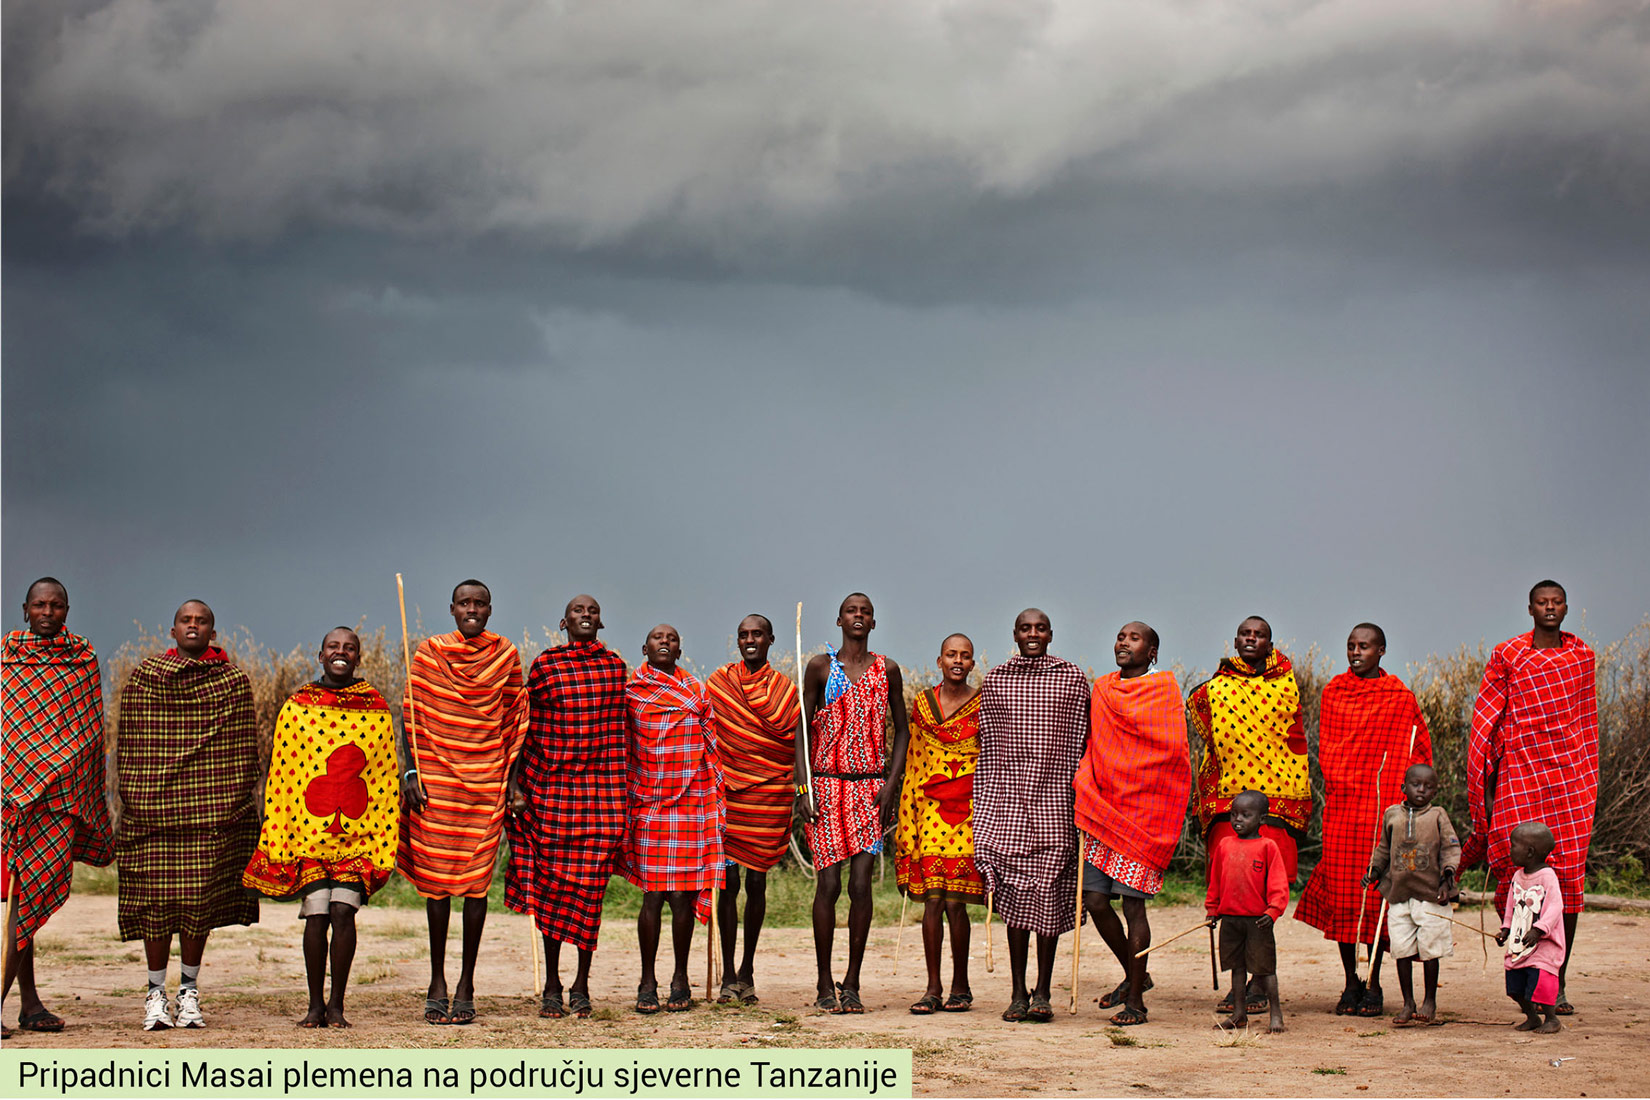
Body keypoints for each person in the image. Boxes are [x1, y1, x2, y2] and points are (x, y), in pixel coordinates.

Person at [242, 627, 400, 1028]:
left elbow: (383, 776)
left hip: (359, 835)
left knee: (343, 912)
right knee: (316, 914)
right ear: (320, 655)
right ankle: (314, 1006)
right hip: (308, 833)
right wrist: (281, 826)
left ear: (359, 658)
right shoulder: (298, 706)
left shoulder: (375, 706)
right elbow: (286, 771)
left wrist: (382, 829)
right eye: (334, 647)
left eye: (349, 648)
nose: (341, 653)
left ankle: (338, 1007)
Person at [116, 599, 259, 1031]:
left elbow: (242, 750)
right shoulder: (145, 678)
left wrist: (228, 802)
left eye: (202, 622)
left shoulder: (232, 682)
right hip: (154, 815)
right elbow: (131, 744)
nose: (193, 626)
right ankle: (155, 993)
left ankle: (190, 992)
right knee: (156, 906)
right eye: (186, 621)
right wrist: (140, 800)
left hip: (209, 814)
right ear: (173, 631)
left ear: (213, 634)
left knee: (199, 905)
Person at [398, 580, 528, 1026]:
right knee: (436, 885)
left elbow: (516, 718)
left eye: (479, 603)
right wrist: (410, 772)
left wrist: (511, 781)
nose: (471, 609)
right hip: (436, 782)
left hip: (486, 781)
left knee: (476, 885)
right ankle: (437, 980)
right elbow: (409, 713)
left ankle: (467, 982)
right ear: (452, 609)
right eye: (464, 603)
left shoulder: (505, 654)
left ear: (490, 609)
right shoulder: (429, 652)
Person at [1467, 581, 1597, 1016]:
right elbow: (1488, 718)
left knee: (1568, 883)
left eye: (1556, 602)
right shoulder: (1509, 655)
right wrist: (1484, 788)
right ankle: (1524, 980)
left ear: (1565, 607)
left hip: (1569, 781)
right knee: (1518, 876)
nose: (1549, 608)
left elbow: (1587, 724)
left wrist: (1586, 779)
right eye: (1542, 602)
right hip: (1520, 773)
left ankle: (1556, 981)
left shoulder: (1581, 659)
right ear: (1529, 608)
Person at [1296, 623, 1432, 1018]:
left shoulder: (1399, 697)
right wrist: (1346, 778)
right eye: (1351, 646)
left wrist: (1401, 799)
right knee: (1343, 893)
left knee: (1376, 895)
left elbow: (1417, 750)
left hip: (1382, 811)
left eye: (1365, 647)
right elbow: (1328, 748)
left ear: (1382, 651)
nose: (1357, 653)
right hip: (1343, 807)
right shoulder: (1334, 692)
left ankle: (1374, 983)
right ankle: (1349, 981)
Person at [505, 594, 628, 1020]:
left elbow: (620, 734)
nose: (587, 615)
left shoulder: (614, 668)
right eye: (579, 610)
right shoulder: (545, 666)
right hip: (552, 793)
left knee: (591, 893)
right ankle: (553, 983)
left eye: (594, 610)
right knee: (554, 890)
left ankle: (582, 984)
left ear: (601, 621)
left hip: (601, 796)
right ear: (564, 621)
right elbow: (524, 724)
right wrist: (515, 784)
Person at [1, 578, 114, 1037]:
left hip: (59, 802)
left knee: (25, 903)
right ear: (25, 610)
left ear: (68, 609)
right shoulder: (7, 660)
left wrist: (57, 769)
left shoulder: (82, 660)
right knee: (20, 902)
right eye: (39, 605)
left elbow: (89, 732)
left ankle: (28, 1006)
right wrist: (24, 773)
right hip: (13, 801)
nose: (47, 612)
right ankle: (19, 1003)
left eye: (56, 605)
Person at [1189, 615, 1311, 1015]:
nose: (1251, 640)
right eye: (1245, 634)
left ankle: (1258, 983)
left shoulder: (1285, 682)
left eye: (1259, 635)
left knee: (1265, 895)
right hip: (1230, 803)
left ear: (1269, 642)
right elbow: (1204, 719)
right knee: (1232, 890)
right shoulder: (1218, 686)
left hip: (1274, 804)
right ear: (1236, 639)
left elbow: (1292, 736)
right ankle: (1242, 986)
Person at [974, 608, 1091, 1024]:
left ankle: (1043, 992)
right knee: (1014, 895)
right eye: (1026, 628)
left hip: (1057, 800)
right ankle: (1017, 992)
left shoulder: (1072, 678)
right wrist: (987, 803)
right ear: (1015, 633)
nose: (1033, 634)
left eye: (1040, 628)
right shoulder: (998, 679)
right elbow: (988, 745)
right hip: (1008, 802)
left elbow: (1084, 741)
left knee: (1049, 896)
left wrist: (1082, 800)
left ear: (1051, 633)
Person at [798, 592, 910, 1014]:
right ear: (839, 620)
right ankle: (824, 981)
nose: (858, 616)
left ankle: (853, 982)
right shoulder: (821, 668)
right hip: (827, 786)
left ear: (873, 623)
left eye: (865, 612)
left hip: (869, 788)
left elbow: (902, 730)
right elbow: (802, 731)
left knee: (861, 886)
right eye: (851, 611)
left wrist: (890, 783)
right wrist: (802, 787)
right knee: (827, 885)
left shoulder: (888, 670)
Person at [1074, 621, 1190, 1027]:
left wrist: (1135, 779)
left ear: (1152, 651)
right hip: (1104, 808)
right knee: (1094, 901)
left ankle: (1136, 1001)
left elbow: (1172, 752)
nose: (1124, 643)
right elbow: (1096, 743)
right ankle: (1134, 972)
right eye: (1120, 636)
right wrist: (1088, 779)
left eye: (1134, 638)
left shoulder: (1164, 691)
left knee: (1133, 907)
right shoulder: (1103, 688)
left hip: (1144, 815)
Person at [621, 624, 724, 1014]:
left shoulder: (697, 692)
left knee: (682, 896)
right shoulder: (631, 694)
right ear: (644, 647)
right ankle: (647, 979)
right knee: (652, 896)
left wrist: (715, 797)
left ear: (680, 650)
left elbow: (710, 747)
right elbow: (626, 747)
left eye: (673, 639)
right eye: (657, 638)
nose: (665, 642)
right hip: (648, 801)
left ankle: (681, 977)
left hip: (692, 802)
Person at [706, 613, 800, 1005]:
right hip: (727, 795)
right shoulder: (719, 684)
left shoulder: (785, 690)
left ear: (771, 640)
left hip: (769, 797)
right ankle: (727, 972)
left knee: (757, 884)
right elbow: (707, 734)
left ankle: (748, 969)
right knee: (726, 886)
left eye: (757, 634)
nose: (750, 640)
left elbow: (794, 742)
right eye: (744, 634)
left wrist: (798, 790)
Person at [896, 633, 985, 1015]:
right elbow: (915, 757)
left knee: (956, 902)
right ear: (939, 661)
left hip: (967, 811)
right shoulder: (922, 704)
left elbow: (991, 760)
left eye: (965, 656)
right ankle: (932, 987)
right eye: (952, 654)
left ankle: (961, 986)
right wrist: (909, 812)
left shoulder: (984, 704)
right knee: (932, 900)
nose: (958, 661)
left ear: (972, 664)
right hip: (929, 809)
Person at [1360, 763, 1459, 1026]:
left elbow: (1451, 848)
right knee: (1401, 949)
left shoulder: (1438, 815)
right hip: (1398, 894)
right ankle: (1408, 1002)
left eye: (1429, 787)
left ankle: (1429, 1001)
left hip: (1431, 895)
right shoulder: (1392, 814)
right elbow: (1383, 848)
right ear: (1404, 787)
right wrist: (1374, 870)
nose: (1422, 790)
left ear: (1435, 792)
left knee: (1430, 949)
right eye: (1416, 785)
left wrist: (1448, 877)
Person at [1207, 790, 1289, 1034]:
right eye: (1233, 814)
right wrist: (1212, 909)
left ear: (1261, 819)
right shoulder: (1224, 845)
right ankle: (1238, 1013)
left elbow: (1278, 885)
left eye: (1246, 815)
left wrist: (1273, 911)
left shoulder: (1268, 847)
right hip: (1230, 919)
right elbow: (1216, 881)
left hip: (1258, 921)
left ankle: (1276, 1013)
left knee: (1265, 969)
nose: (1238, 820)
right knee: (1237, 967)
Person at [1495, 821, 1566, 1034]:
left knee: (1540, 984)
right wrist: (1506, 929)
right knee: (1515, 986)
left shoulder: (1547, 877)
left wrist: (1539, 930)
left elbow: (1555, 906)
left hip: (1544, 945)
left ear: (1530, 852)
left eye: (1514, 845)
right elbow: (1512, 905)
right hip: (1520, 943)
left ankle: (1551, 1018)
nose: (1510, 849)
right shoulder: (1518, 876)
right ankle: (1532, 1017)